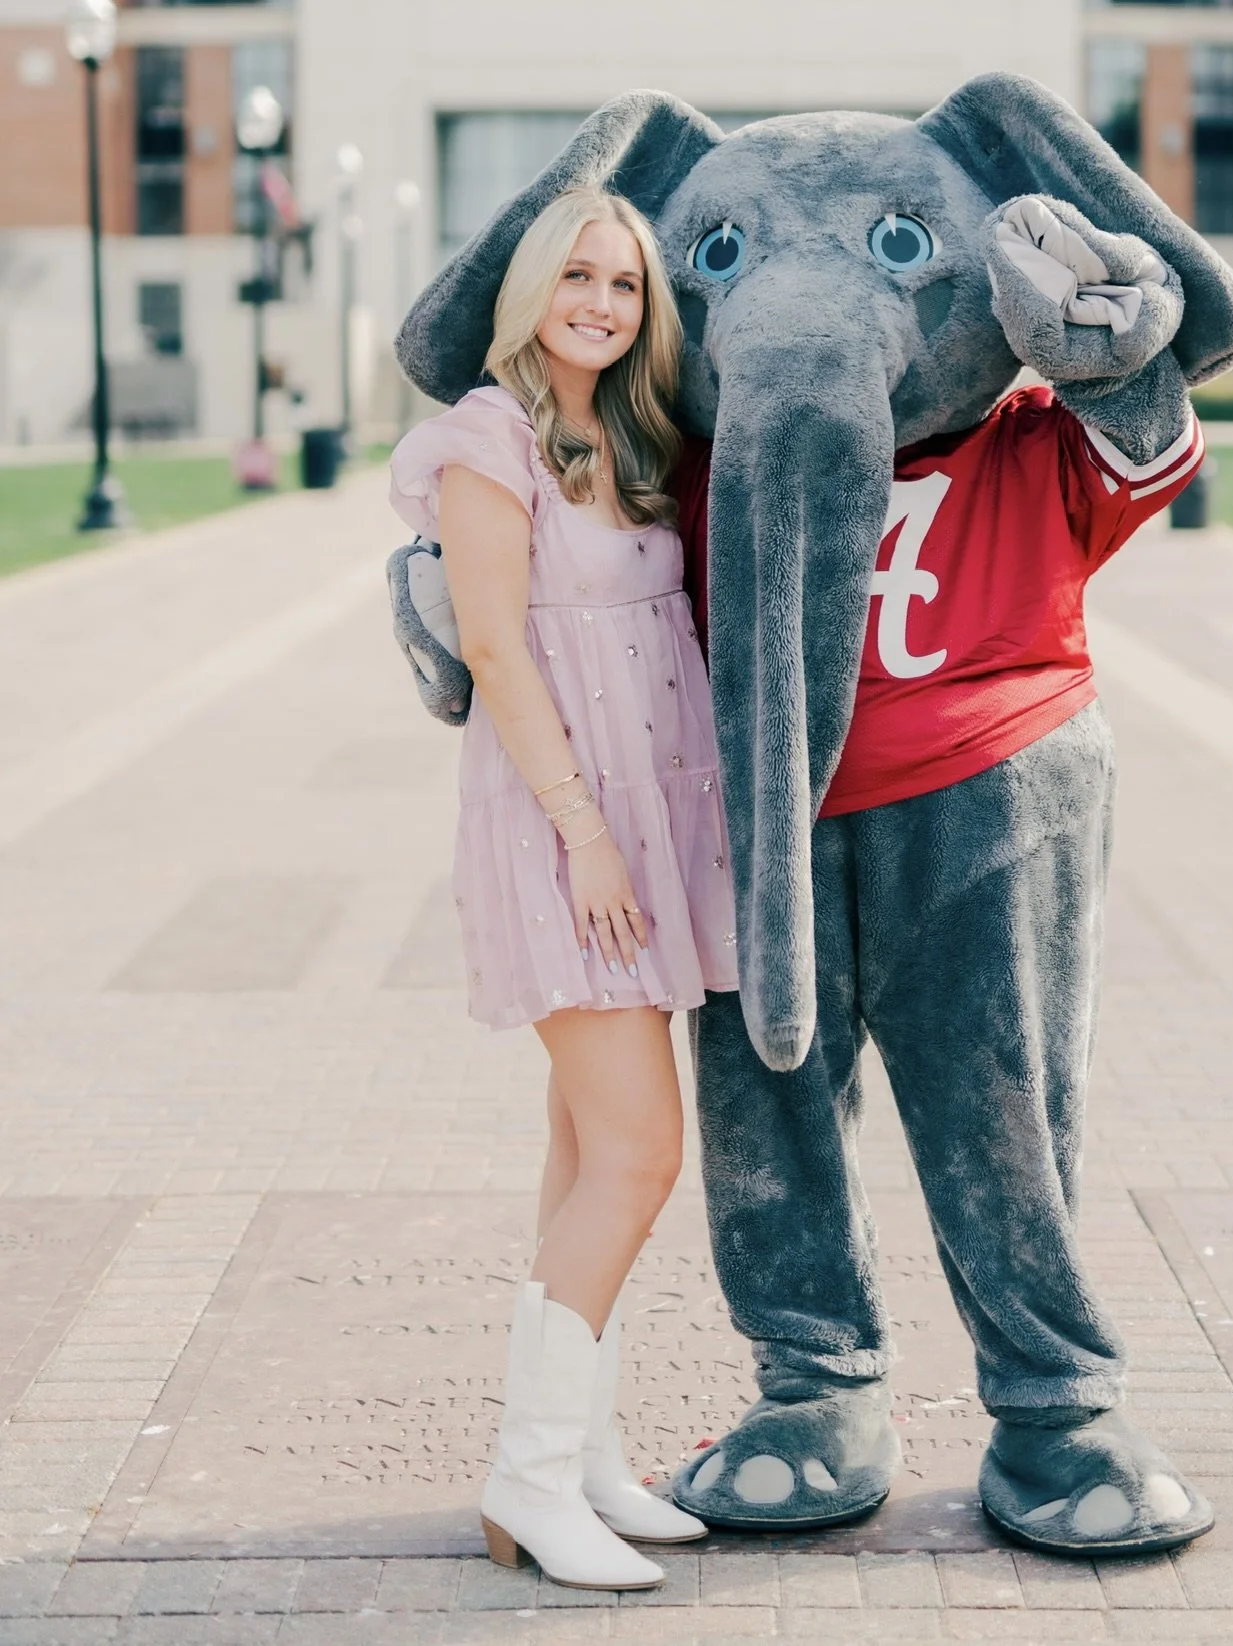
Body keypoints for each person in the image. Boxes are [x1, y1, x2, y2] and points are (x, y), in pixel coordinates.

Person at [388, 186, 737, 1592]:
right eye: (578, 275)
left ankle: (577, 1455)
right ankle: (529, 1477)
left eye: (627, 285)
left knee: (588, 1154)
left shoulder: (630, 437)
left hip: (647, 827)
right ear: (533, 285)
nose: (601, 301)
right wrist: (586, 831)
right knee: (644, 1152)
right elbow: (498, 643)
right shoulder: (488, 438)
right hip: (564, 828)